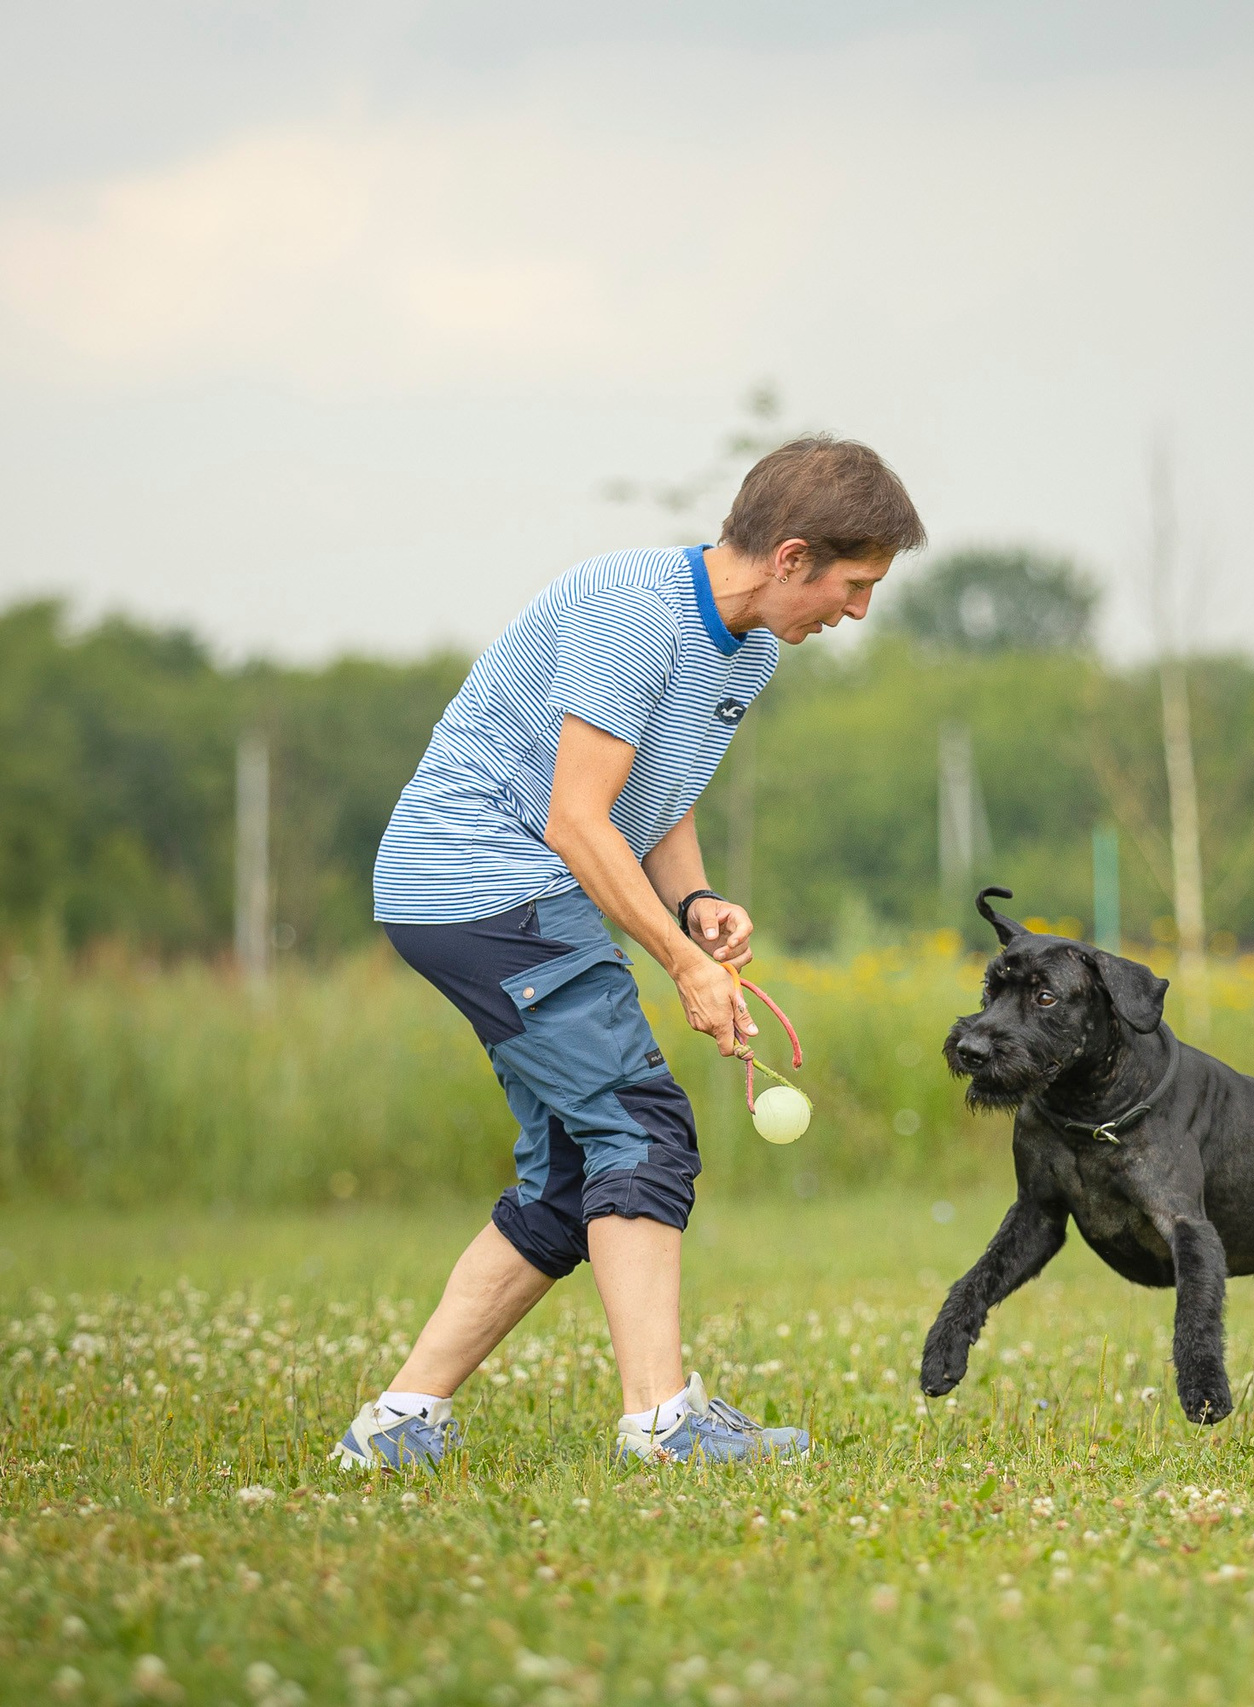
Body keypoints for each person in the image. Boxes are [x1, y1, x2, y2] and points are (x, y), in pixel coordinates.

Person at [331, 435, 924, 1469]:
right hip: (481, 882)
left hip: (510, 889)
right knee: (642, 1129)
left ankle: (398, 1425)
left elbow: (653, 798)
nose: (857, 611)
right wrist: (683, 968)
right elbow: (574, 819)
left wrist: (691, 903)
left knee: (570, 1174)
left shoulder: (746, 650)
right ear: (791, 558)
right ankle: (661, 1425)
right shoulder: (632, 610)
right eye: (853, 583)